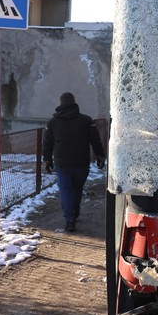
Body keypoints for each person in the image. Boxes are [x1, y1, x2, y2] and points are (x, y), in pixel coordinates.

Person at [42, 92, 105, 232]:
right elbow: (95, 140)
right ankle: (73, 213)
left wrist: (47, 160)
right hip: (81, 162)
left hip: (61, 162)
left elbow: (47, 143)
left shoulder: (53, 122)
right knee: (76, 189)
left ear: (60, 104)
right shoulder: (86, 120)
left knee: (65, 190)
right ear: (74, 102)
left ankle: (70, 219)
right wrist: (100, 155)